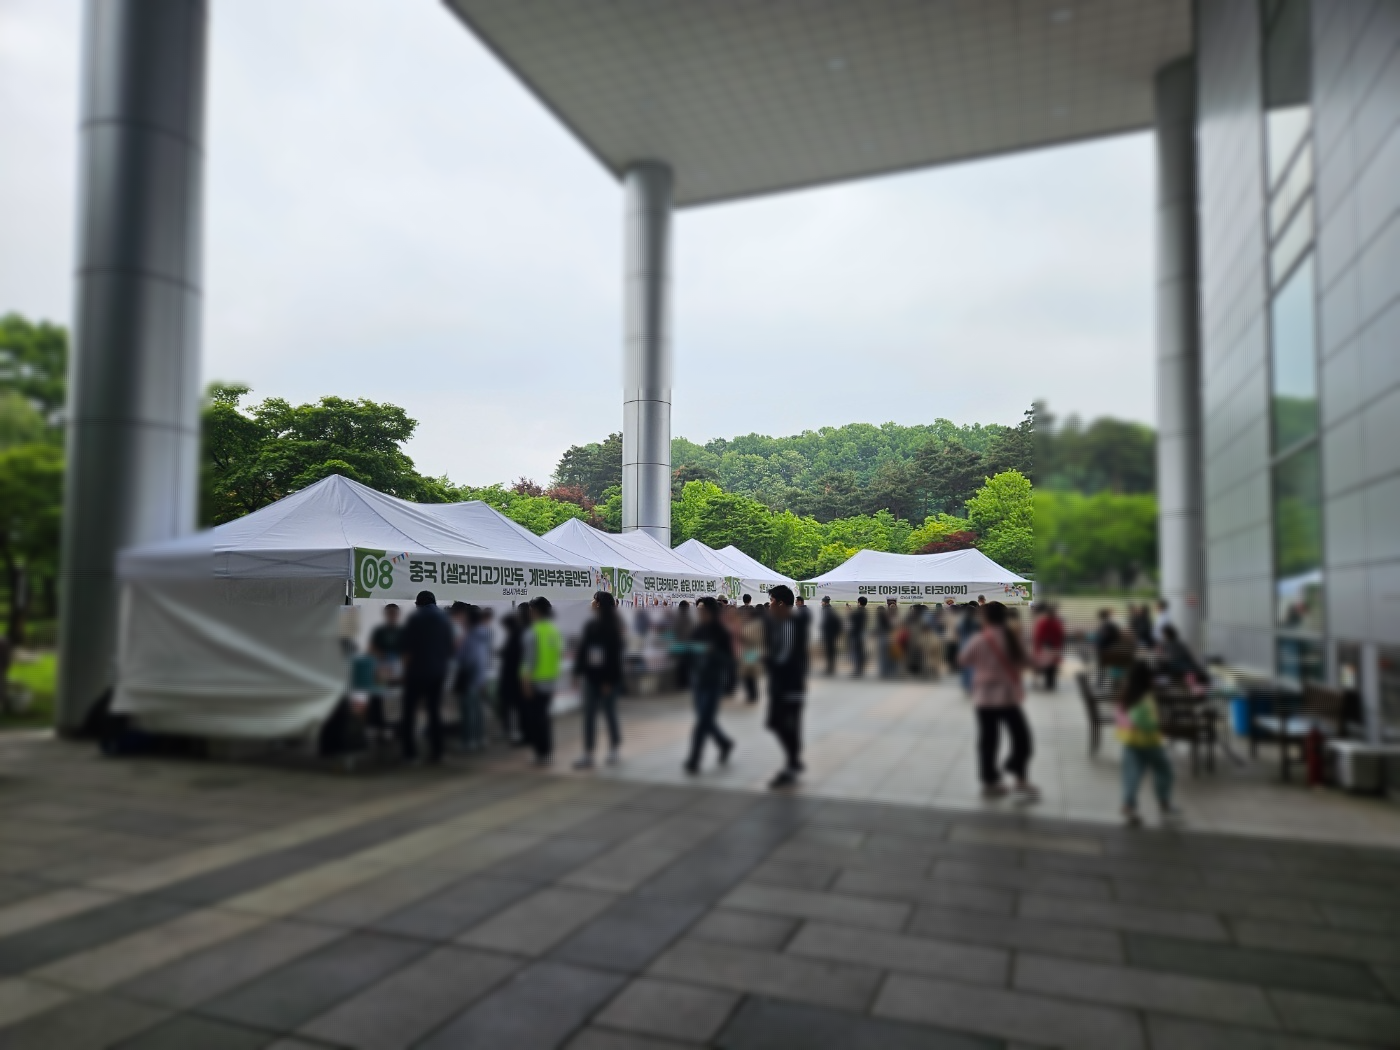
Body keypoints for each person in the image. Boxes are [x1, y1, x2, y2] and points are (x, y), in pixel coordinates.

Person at [958, 601, 1035, 799]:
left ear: (985, 618)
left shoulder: (980, 639)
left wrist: (984, 666)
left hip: (984, 698)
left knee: (988, 741)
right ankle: (1019, 775)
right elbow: (1026, 661)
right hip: (1008, 698)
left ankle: (990, 781)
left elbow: (963, 660)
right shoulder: (1011, 637)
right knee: (1022, 738)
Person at [1117, 661, 1178, 826]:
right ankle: (1164, 801)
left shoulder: (1126, 693)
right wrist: (1158, 726)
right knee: (1164, 770)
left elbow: (1123, 716)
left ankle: (1128, 805)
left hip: (1129, 740)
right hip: (1149, 742)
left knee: (1131, 774)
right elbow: (1141, 719)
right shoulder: (1146, 697)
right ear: (1146, 678)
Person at [399, 590, 454, 764]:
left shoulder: (415, 619)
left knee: (409, 712)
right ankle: (438, 752)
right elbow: (450, 649)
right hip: (438, 672)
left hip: (417, 672)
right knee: (434, 711)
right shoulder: (446, 619)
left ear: (419, 603)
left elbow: (407, 650)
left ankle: (410, 754)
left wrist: (403, 672)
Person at [763, 585, 809, 789]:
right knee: (780, 724)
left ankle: (792, 763)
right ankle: (794, 760)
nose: (769, 605)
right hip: (784, 684)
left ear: (781, 603)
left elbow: (785, 657)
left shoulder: (790, 624)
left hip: (788, 685)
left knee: (784, 724)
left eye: (771, 600)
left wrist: (764, 659)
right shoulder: (782, 623)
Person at [684, 596, 736, 773]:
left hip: (713, 682)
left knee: (702, 722)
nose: (699, 613)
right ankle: (724, 743)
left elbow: (729, 659)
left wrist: (713, 653)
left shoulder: (721, 632)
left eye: (702, 610)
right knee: (705, 719)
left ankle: (694, 758)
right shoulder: (698, 630)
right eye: (697, 609)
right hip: (698, 681)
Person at [574, 591, 625, 769]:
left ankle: (614, 748)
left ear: (600, 604)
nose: (591, 603)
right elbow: (583, 650)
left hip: (607, 679)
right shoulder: (591, 625)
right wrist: (578, 672)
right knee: (589, 715)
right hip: (591, 676)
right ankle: (588, 753)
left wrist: (608, 680)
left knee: (609, 713)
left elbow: (614, 657)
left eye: (594, 600)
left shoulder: (613, 627)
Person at [520, 597, 563, 765]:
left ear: (536, 612)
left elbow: (528, 661)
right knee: (543, 717)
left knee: (536, 719)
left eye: (531, 611)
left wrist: (526, 684)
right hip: (549, 681)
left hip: (535, 682)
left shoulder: (533, 633)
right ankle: (545, 751)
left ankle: (541, 753)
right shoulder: (554, 631)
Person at [450, 603, 484, 752]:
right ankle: (479, 738)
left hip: (468, 677)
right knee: (476, 710)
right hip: (478, 677)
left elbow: (465, 658)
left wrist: (456, 650)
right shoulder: (481, 633)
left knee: (468, 711)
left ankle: (468, 741)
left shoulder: (469, 635)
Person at [367, 603, 402, 740]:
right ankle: (377, 727)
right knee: (378, 699)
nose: (392, 615)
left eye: (394, 613)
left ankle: (393, 728)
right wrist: (380, 656)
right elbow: (371, 649)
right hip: (381, 668)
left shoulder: (403, 632)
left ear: (398, 615)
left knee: (394, 700)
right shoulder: (379, 632)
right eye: (389, 612)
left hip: (397, 671)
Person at [497, 611, 526, 746]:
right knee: (516, 706)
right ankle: (515, 730)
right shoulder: (518, 634)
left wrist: (501, 653)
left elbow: (510, 655)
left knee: (510, 706)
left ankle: (512, 730)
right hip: (516, 677)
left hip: (511, 678)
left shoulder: (515, 636)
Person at [1031, 603, 1065, 691]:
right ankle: (1050, 683)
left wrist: (1037, 648)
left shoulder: (1043, 622)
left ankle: (1047, 682)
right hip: (1053, 646)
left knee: (1046, 665)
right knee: (1051, 666)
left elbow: (1039, 636)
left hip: (1046, 647)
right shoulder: (1056, 623)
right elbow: (1060, 635)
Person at [739, 604, 765, 703]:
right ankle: (751, 694)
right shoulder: (747, 623)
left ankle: (752, 695)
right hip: (747, 651)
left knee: (749, 675)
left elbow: (754, 638)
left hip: (752, 651)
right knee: (747, 675)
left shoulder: (756, 624)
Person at [956, 602, 980, 695]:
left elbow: (958, 633)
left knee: (965, 667)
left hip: (963, 645)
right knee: (973, 667)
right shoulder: (976, 623)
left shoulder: (961, 622)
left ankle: (966, 686)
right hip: (974, 646)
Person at [819, 596, 843, 675]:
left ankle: (829, 669)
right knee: (830, 651)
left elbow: (826, 622)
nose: (821, 603)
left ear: (825, 602)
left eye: (822, 601)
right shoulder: (831, 609)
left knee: (829, 651)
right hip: (831, 634)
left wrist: (822, 627)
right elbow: (838, 621)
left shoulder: (826, 610)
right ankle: (830, 668)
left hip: (829, 634)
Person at [673, 600, 693, 690]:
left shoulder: (676, 617)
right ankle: (684, 682)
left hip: (678, 643)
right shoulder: (687, 618)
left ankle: (680, 682)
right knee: (685, 664)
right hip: (685, 643)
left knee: (679, 664)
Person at [848, 596, 868, 677]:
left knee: (856, 651)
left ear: (859, 602)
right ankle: (860, 669)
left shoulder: (858, 611)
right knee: (860, 651)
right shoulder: (865, 611)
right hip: (862, 632)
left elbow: (852, 619)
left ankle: (857, 670)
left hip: (856, 633)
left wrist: (849, 611)